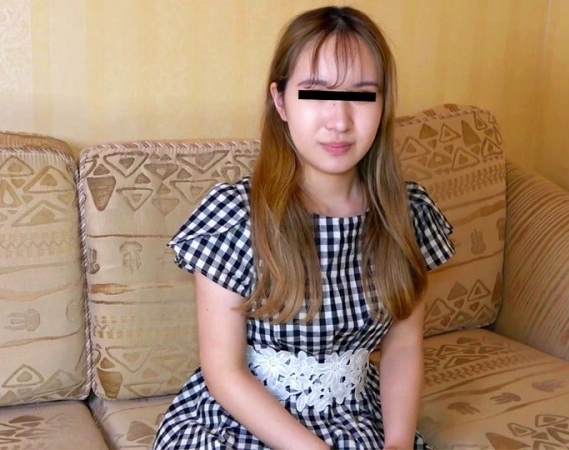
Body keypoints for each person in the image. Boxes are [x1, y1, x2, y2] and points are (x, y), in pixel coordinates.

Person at [154, 6, 453, 449]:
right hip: (241, 422)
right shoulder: (234, 217)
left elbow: (403, 348)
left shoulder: (406, 215)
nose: (339, 121)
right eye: (315, 93)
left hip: (354, 416)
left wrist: (397, 444)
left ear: (383, 104)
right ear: (280, 101)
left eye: (362, 95)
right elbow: (226, 373)